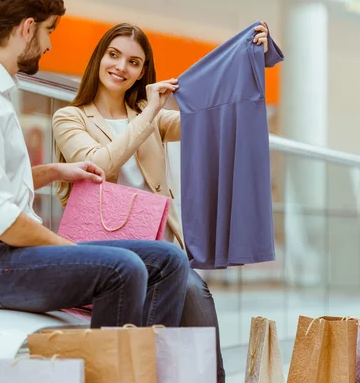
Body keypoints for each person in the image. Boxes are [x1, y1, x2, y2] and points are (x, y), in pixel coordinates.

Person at [0, 0, 190, 330]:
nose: (49, 44)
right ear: (27, 28)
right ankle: (116, 373)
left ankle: (151, 368)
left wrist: (54, 171)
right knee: (122, 267)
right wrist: (69, 247)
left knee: (169, 259)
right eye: (49, 30)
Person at [52, 22, 271, 382]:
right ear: (99, 58)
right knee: (189, 290)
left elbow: (212, 114)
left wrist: (249, 64)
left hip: (162, 250)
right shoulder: (71, 117)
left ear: (142, 72)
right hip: (105, 250)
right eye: (114, 55)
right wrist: (148, 113)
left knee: (195, 296)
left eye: (134, 62)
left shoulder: (152, 115)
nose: (122, 67)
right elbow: (99, 165)